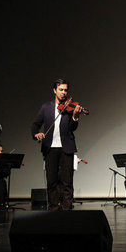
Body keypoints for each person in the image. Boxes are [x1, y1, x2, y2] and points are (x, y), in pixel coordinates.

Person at [31, 79, 84, 211]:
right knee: (51, 181)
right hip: (50, 148)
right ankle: (53, 209)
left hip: (66, 147)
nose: (63, 92)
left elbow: (72, 127)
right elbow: (35, 124)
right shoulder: (46, 107)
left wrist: (75, 116)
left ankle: (67, 210)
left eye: (65, 90)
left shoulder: (70, 107)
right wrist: (36, 134)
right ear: (54, 90)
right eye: (61, 89)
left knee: (67, 182)